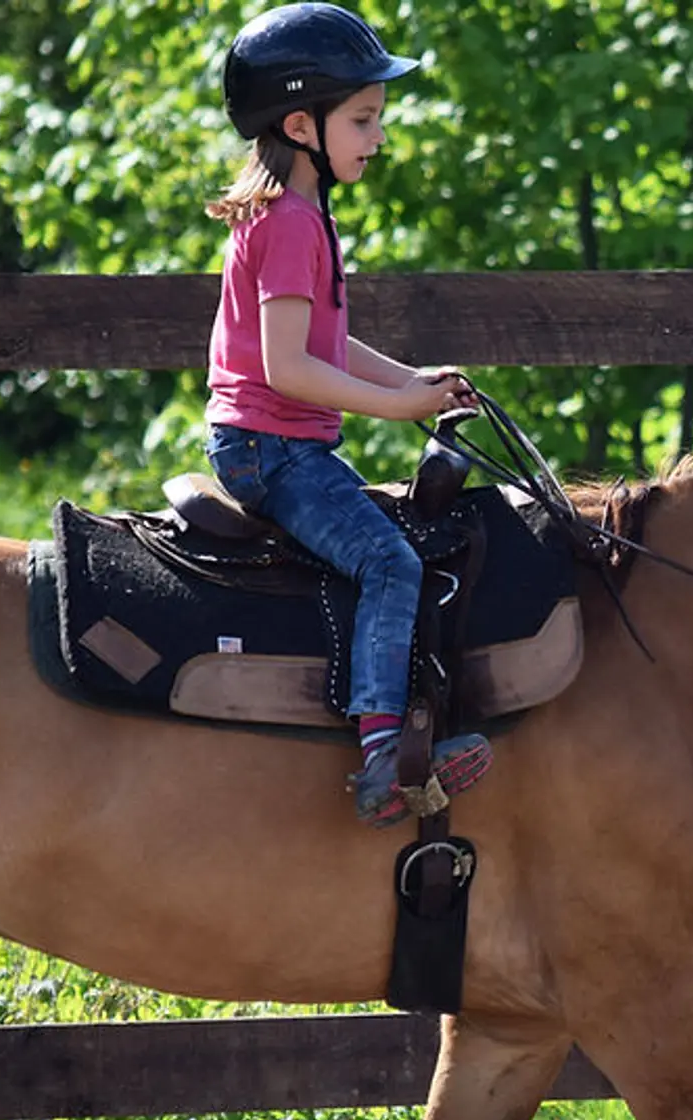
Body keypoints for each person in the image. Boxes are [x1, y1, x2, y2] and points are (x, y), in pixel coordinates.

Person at [204, 2, 490, 826]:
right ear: (301, 125)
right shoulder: (292, 224)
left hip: (275, 444)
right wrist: (401, 407)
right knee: (390, 563)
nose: (378, 137)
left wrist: (413, 379)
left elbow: (325, 342)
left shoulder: (298, 214)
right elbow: (288, 369)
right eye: (363, 120)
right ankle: (381, 756)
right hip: (271, 450)